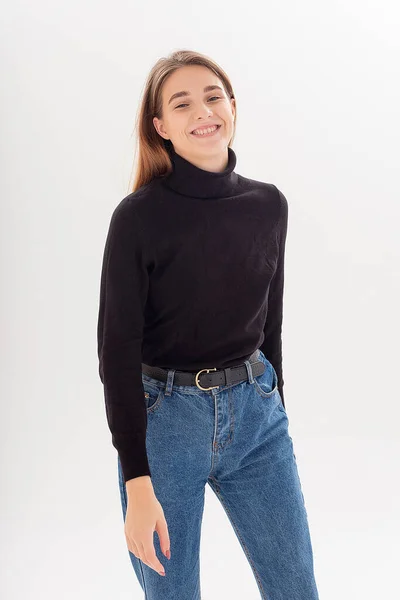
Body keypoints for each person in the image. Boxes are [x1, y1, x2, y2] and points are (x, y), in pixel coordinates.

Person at [97, 49, 320, 600]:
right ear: (161, 127)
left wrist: (277, 407)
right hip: (167, 425)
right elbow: (116, 353)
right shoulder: (138, 219)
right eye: (182, 103)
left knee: (296, 590)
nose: (203, 111)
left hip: (257, 418)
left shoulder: (269, 205)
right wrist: (137, 479)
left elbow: (271, 325)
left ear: (233, 108)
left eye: (213, 96)